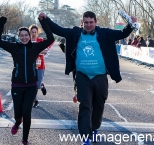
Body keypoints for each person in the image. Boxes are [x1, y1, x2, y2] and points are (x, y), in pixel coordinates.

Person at [38, 11, 135, 145]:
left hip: (100, 76)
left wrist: (130, 25)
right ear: (82, 22)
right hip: (82, 76)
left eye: (91, 22)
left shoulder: (105, 33)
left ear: (96, 22)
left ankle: (94, 128)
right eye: (86, 22)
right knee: (85, 105)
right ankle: (86, 137)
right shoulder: (75, 32)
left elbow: (122, 34)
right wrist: (44, 20)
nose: (88, 25)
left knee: (99, 104)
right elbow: (57, 29)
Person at [0, 16, 54, 145]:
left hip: (31, 85)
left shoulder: (36, 47)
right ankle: (17, 122)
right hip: (17, 85)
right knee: (18, 114)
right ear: (18, 36)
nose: (24, 37)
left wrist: (43, 22)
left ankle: (25, 139)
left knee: (27, 112)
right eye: (21, 35)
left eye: (26, 35)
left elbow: (51, 38)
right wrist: (2, 23)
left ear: (29, 36)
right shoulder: (14, 47)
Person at [29, 24, 51, 108]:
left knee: (37, 85)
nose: (34, 34)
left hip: (40, 66)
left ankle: (41, 85)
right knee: (31, 85)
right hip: (30, 66)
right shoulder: (28, 41)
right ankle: (35, 100)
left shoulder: (40, 40)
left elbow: (45, 51)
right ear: (30, 32)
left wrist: (34, 51)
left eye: (35, 32)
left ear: (37, 33)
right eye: (32, 32)